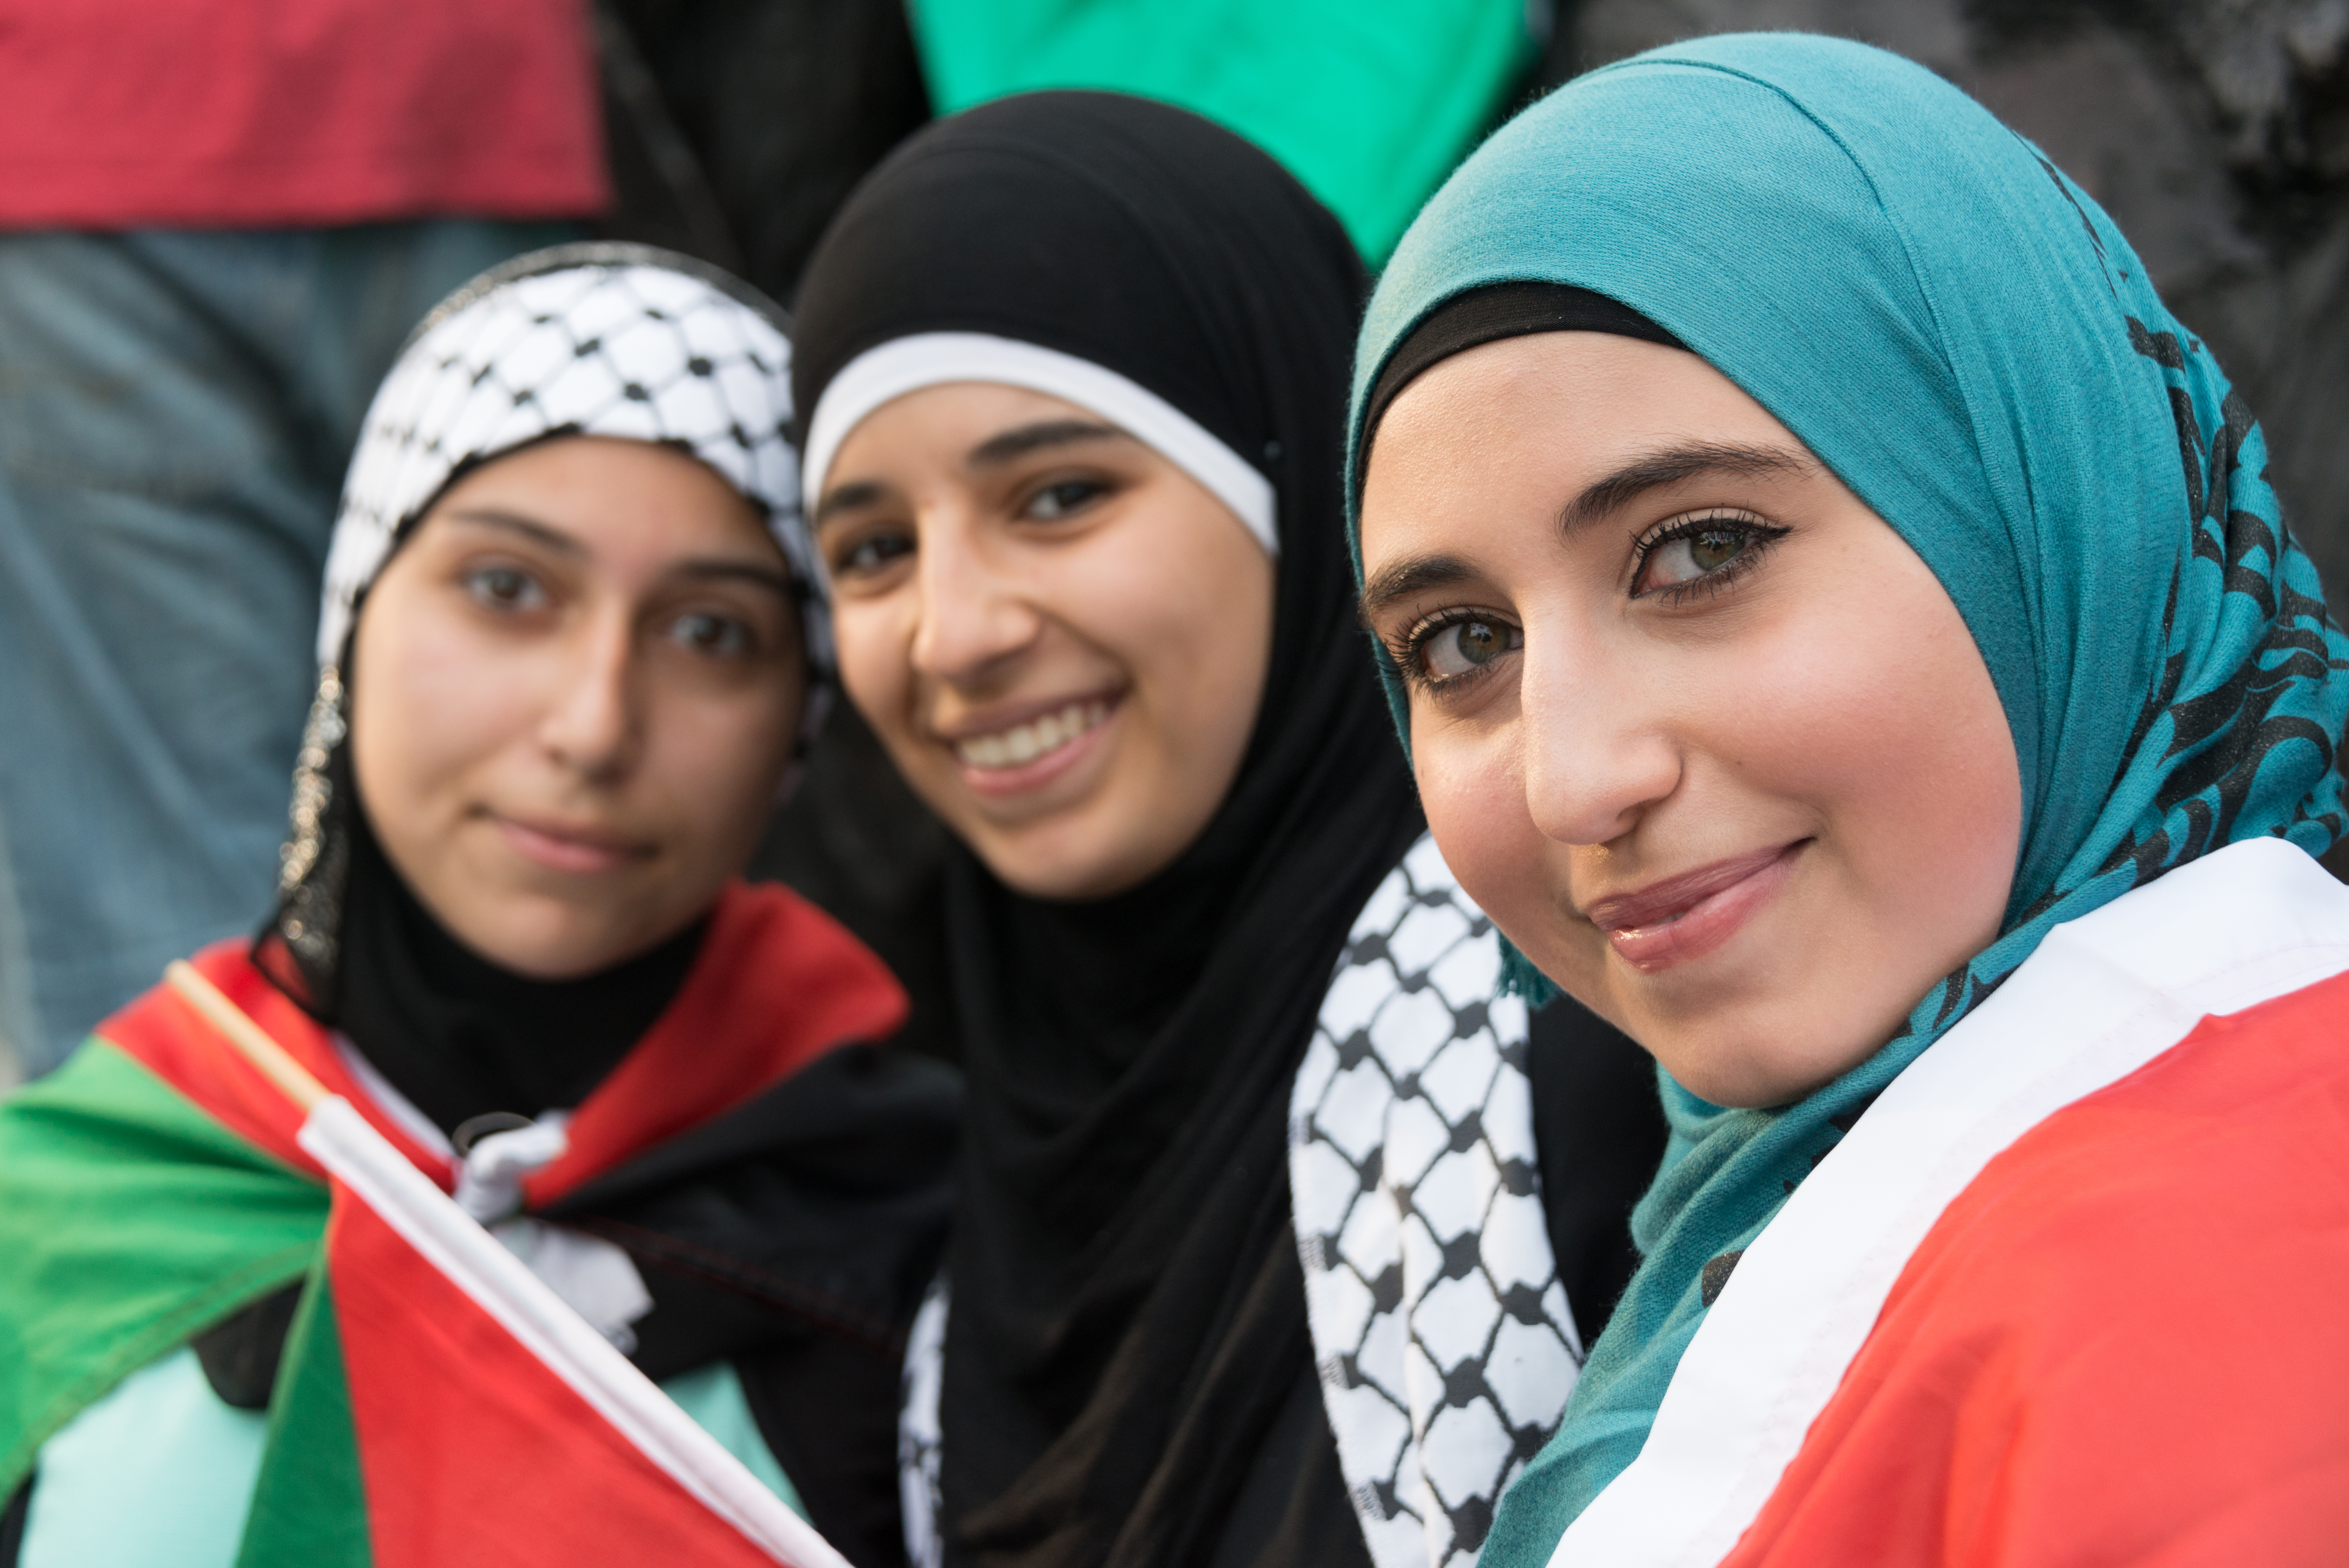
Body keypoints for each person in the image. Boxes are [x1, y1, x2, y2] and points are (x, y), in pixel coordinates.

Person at [1350, 34, 2349, 1566]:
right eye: (1461, 646)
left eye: (1698, 552)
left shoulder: (2239, 1272)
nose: (1572, 778)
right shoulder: (1738, 1236)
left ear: (2042, 501)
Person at [789, 93, 1667, 1568]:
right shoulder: (970, 1199)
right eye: (872, 551)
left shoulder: (1588, 997)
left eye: (1058, 496)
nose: (953, 633)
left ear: (1299, 485)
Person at [0, 245, 955, 1568]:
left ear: (799, 723)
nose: (592, 724)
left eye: (711, 633)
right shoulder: (76, 1205)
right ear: (354, 621)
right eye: (509, 590)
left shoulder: (923, 1235)